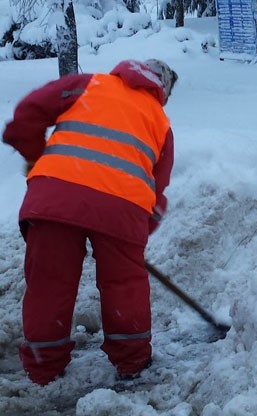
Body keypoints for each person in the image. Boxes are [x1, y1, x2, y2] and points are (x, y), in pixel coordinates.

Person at [2, 59, 178, 385]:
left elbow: (28, 113)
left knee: (49, 284)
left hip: (55, 197)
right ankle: (132, 362)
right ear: (162, 89)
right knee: (124, 285)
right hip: (122, 210)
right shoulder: (161, 125)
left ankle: (43, 367)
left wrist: (35, 155)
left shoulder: (89, 83)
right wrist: (134, 240)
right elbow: (155, 196)